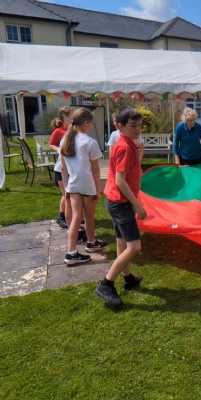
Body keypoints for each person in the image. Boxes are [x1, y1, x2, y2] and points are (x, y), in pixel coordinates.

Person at [95, 107, 147, 306]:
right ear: (120, 127)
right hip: (120, 203)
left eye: (139, 125)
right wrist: (137, 204)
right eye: (133, 126)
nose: (138, 129)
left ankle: (128, 279)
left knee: (121, 243)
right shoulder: (124, 147)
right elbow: (120, 181)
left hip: (117, 202)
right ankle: (106, 284)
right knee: (134, 247)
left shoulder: (128, 144)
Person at [60, 107, 107, 265]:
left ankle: (72, 251)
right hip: (87, 185)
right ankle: (91, 243)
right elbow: (95, 169)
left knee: (76, 218)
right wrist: (98, 190)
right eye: (91, 123)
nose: (91, 126)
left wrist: (66, 188)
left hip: (72, 185)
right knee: (89, 217)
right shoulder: (90, 142)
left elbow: (63, 168)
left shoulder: (65, 141)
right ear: (86, 122)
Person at [49, 106, 74, 229]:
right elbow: (51, 144)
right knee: (66, 195)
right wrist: (60, 150)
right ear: (65, 116)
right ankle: (61, 217)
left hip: (70, 167)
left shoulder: (72, 129)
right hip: (61, 167)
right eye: (72, 115)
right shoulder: (59, 131)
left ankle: (72, 217)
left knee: (70, 194)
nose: (74, 117)